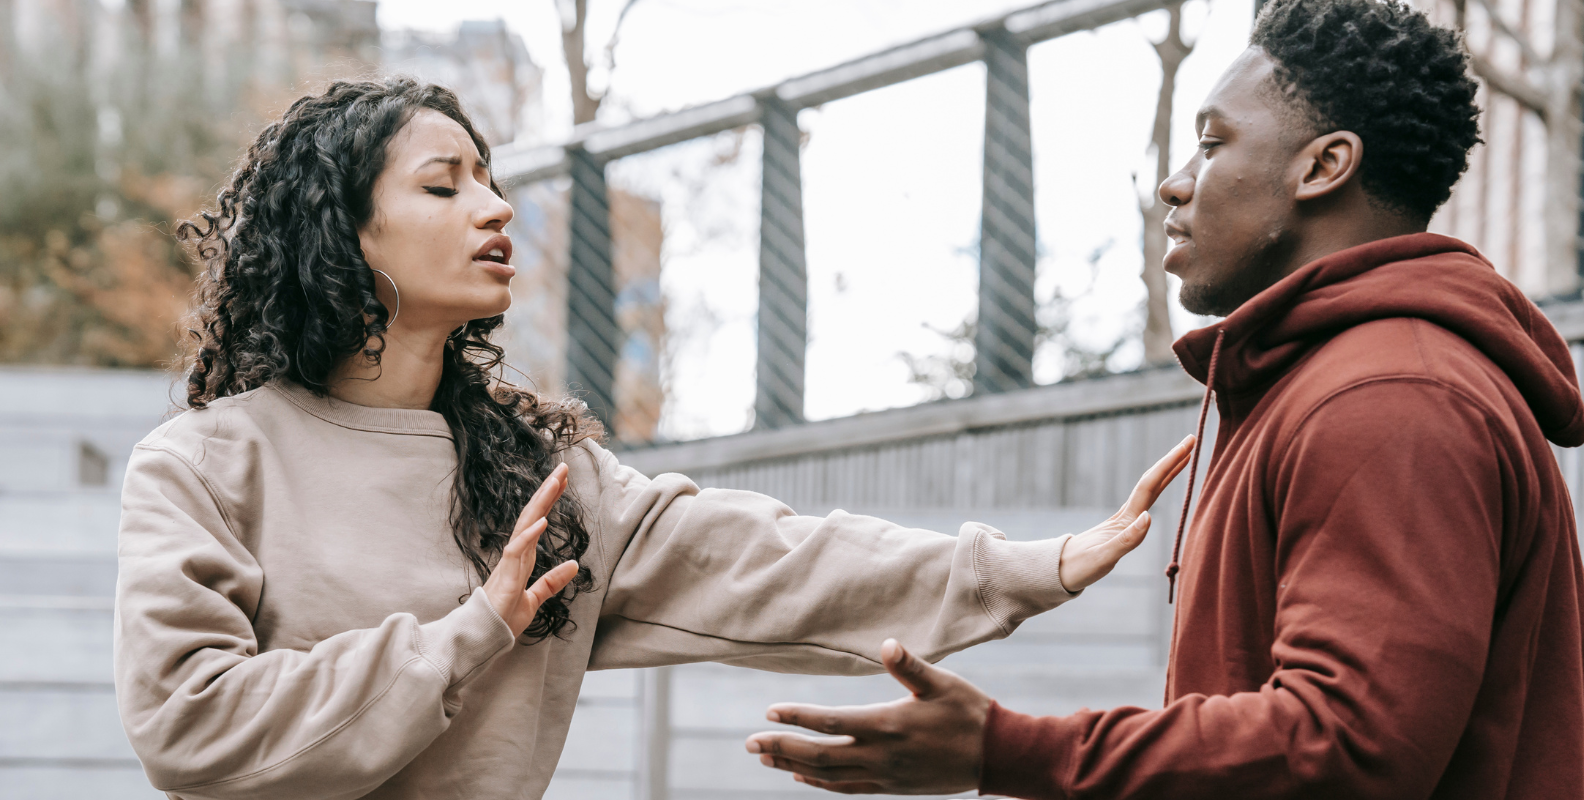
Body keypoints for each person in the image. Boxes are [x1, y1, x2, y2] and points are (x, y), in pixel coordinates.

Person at [110, 78, 1194, 800]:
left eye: (490, 178)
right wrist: (472, 630)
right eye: (445, 185)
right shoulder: (207, 462)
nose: (495, 208)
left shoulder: (541, 474)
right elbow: (187, 722)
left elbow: (765, 557)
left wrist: (1024, 564)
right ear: (338, 235)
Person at [744, 0, 1584, 796]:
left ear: (1324, 165)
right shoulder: (1333, 381)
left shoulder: (1389, 398)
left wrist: (1007, 750)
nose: (1174, 185)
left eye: (1212, 144)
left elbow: (1350, 747)